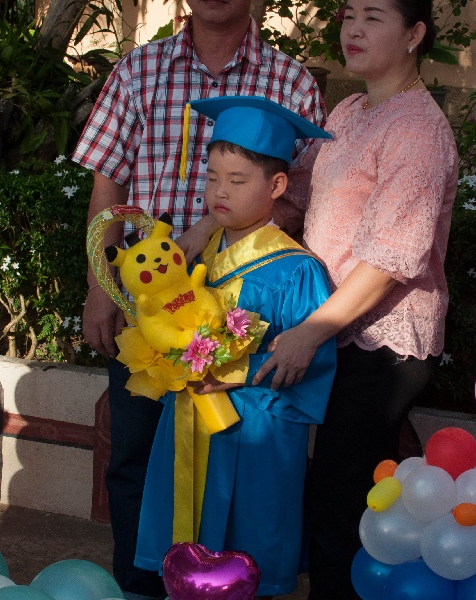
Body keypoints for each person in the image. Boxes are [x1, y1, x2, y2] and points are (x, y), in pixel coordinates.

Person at [71, 1, 325, 597]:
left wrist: (212, 230)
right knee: (135, 457)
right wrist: (100, 287)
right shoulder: (139, 69)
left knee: (230, 463)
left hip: (242, 307)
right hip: (147, 311)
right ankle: (141, 586)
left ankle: (219, 586)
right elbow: (108, 185)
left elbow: (302, 193)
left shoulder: (290, 81)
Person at [251, 0, 459, 597]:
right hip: (333, 327)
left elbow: (393, 259)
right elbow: (296, 198)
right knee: (329, 495)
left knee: (343, 502)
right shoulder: (348, 110)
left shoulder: (418, 129)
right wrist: (222, 224)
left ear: (414, 34)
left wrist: (310, 331)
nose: (354, 30)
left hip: (382, 343)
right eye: (348, 17)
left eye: (373, 17)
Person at [132, 96, 337, 599]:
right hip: (187, 424)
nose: (220, 191)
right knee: (183, 558)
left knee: (246, 562)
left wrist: (237, 373)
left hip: (256, 436)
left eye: (238, 180)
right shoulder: (194, 259)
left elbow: (313, 372)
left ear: (277, 186)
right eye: (212, 177)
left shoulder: (297, 271)